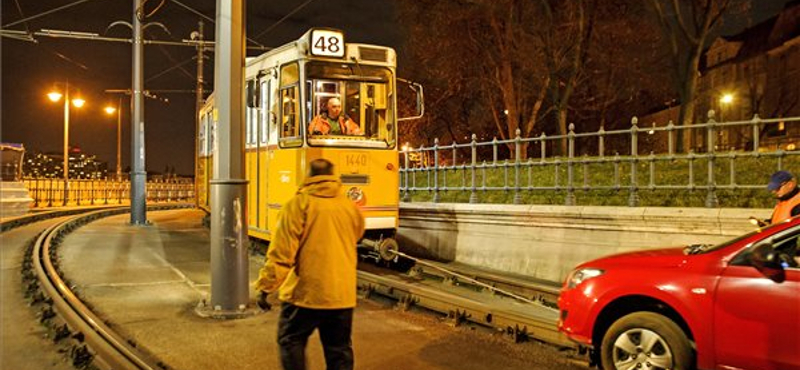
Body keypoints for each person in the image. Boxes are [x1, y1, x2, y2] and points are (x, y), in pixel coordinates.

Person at [254, 158, 365, 370]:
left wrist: (266, 287)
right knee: (339, 351)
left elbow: (282, 253)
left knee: (290, 339)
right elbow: (357, 234)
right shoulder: (348, 206)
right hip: (341, 296)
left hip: (306, 294)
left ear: (309, 177)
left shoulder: (298, 205)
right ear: (333, 177)